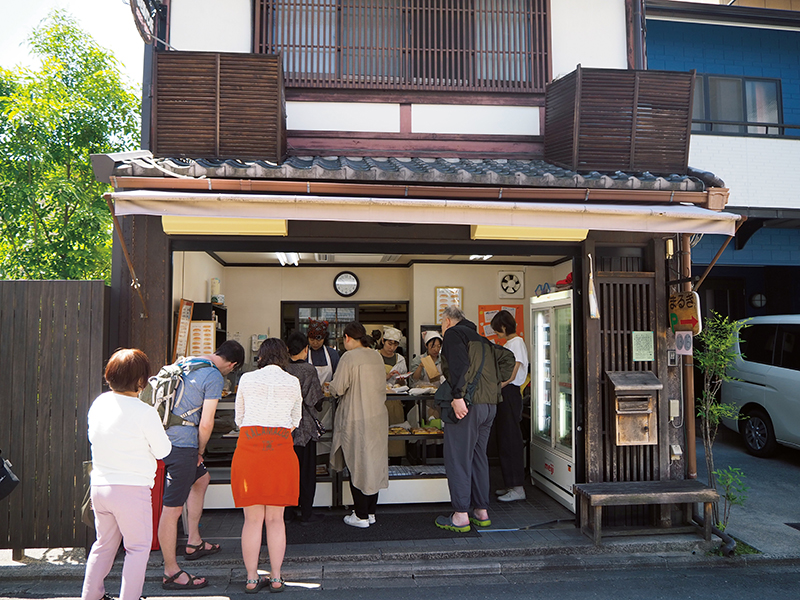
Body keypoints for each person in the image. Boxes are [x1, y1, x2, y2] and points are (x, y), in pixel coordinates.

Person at [81, 348, 172, 600]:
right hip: (132, 489)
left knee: (103, 545)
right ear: (141, 380)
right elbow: (163, 450)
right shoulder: (144, 412)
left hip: (100, 486)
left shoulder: (99, 403)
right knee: (137, 549)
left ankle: (91, 596)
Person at [159, 339, 245, 591]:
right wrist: (200, 450)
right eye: (232, 369)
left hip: (164, 439)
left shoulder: (186, 362)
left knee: (201, 479)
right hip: (183, 445)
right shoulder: (214, 376)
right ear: (232, 364)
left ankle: (194, 541)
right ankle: (170, 571)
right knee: (171, 509)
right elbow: (206, 423)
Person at [231, 338, 303, 593]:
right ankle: (275, 576)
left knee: (252, 520)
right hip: (281, 449)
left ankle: (251, 578)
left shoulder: (247, 379)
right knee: (275, 519)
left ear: (261, 356)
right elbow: (296, 419)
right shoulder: (292, 381)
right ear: (284, 356)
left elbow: (239, 418)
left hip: (249, 449)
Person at [435, 305, 502, 533]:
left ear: (447, 321)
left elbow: (458, 366)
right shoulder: (482, 339)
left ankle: (461, 515)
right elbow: (507, 361)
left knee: (458, 458)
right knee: (477, 457)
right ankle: (481, 511)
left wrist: (457, 397)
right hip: (489, 406)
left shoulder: (454, 334)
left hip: (468, 406)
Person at [329, 321, 389, 528]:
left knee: (358, 465)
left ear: (347, 338)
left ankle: (361, 515)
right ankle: (371, 512)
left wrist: (329, 387)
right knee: (374, 462)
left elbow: (337, 388)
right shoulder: (376, 355)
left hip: (356, 418)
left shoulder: (349, 357)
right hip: (378, 417)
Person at [285, 331, 326, 524]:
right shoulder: (309, 370)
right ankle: (306, 513)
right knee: (307, 472)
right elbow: (316, 402)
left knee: (288, 471)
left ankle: (287, 512)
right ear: (305, 349)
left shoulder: (282, 369)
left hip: (286, 429)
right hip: (306, 428)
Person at [490, 310, 530, 502]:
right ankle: (510, 484)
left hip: (510, 393)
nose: (496, 333)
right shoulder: (508, 344)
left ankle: (517, 487)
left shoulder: (517, 343)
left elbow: (512, 375)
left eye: (497, 329)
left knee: (511, 439)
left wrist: (496, 387)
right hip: (504, 393)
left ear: (504, 327)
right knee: (503, 438)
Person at [378, 326, 408, 463]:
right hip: (378, 402)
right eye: (389, 343)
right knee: (379, 435)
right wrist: (386, 376)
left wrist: (401, 381)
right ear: (383, 341)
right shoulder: (374, 356)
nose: (392, 347)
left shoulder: (400, 359)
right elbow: (369, 379)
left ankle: (396, 461)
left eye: (395, 344)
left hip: (396, 401)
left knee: (397, 432)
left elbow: (405, 384)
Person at [306, 319, 340, 387]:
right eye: (312, 340)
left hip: (328, 394)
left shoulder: (332, 354)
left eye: (319, 340)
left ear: (324, 338)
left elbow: (338, 377)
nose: (315, 343)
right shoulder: (304, 354)